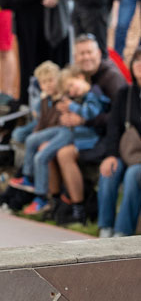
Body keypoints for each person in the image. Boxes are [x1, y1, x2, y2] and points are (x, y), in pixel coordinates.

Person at [50, 32, 127, 217]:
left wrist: (85, 120)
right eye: (81, 54)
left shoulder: (112, 78)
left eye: (89, 52)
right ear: (75, 58)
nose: (86, 57)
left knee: (64, 153)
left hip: (113, 141)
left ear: (99, 53)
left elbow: (122, 119)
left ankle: (79, 208)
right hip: (92, 134)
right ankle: (56, 202)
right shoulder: (83, 76)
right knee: (49, 148)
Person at [19, 66, 107, 219]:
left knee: (46, 154)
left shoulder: (93, 94)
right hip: (70, 133)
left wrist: (70, 107)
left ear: (80, 77)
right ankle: (36, 184)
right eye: (68, 89)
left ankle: (52, 199)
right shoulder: (76, 96)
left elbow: (90, 113)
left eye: (71, 86)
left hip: (84, 139)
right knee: (34, 141)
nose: (71, 92)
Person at [97, 46, 141, 237]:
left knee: (133, 175)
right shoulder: (125, 93)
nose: (140, 64)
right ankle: (105, 228)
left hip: (138, 162)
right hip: (127, 152)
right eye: (137, 59)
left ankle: (122, 233)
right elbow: (113, 127)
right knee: (109, 171)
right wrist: (111, 155)